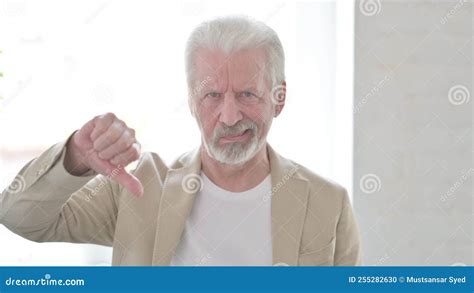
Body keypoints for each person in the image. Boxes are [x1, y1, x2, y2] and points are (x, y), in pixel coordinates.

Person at [0, 16, 361, 266]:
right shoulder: (141, 188)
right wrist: (75, 156)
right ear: (192, 101)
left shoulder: (329, 203)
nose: (230, 116)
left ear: (278, 98)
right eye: (213, 95)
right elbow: (18, 216)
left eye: (248, 94)